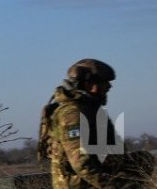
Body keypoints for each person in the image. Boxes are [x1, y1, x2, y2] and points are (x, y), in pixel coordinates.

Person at [38, 58, 155, 188]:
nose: (109, 87)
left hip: (95, 175)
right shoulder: (73, 114)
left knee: (142, 159)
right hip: (80, 184)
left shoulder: (90, 109)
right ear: (90, 85)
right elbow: (82, 165)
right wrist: (113, 186)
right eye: (105, 83)